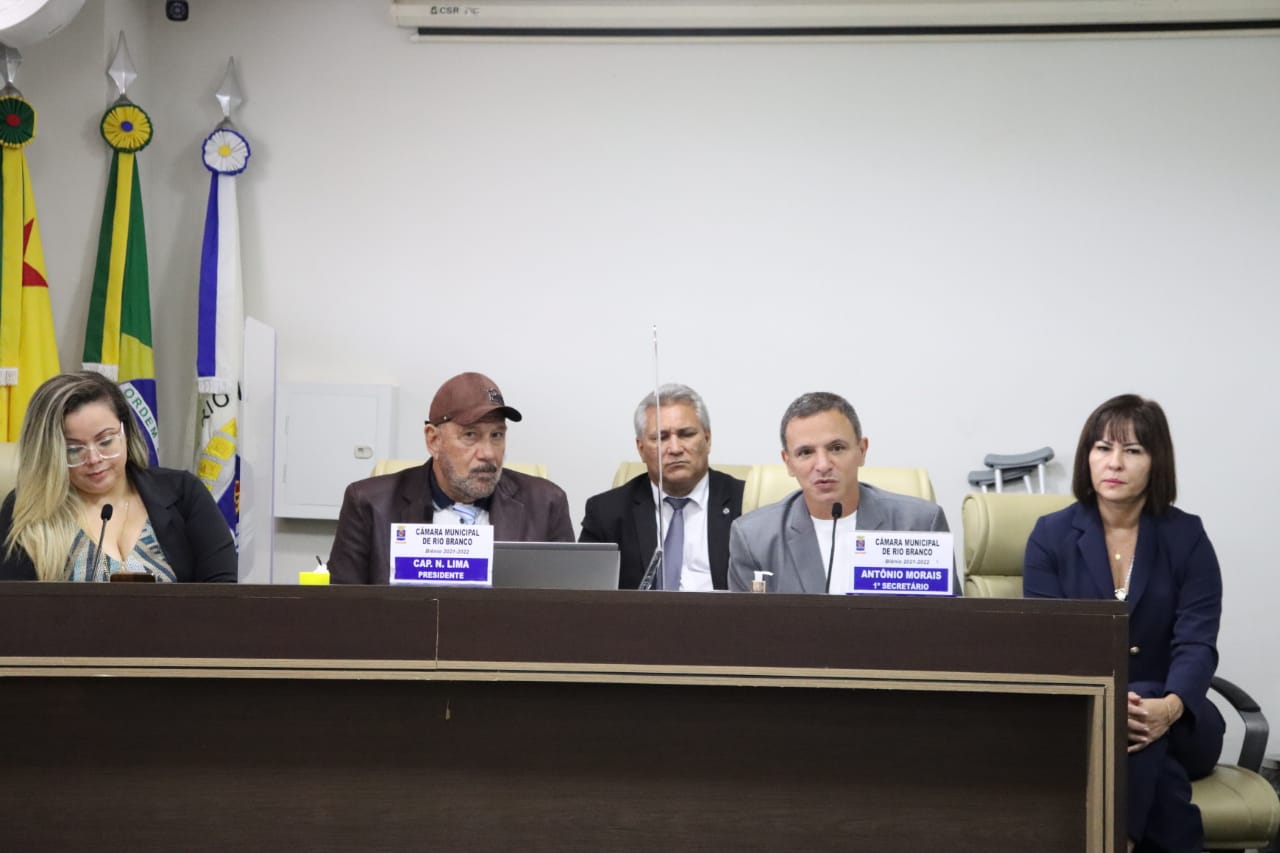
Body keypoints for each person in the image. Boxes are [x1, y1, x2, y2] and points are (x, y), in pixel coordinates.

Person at [1024, 394, 1223, 853]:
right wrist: (1119, 706)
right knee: (1149, 760)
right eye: (1102, 448)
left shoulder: (1186, 536)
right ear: (1087, 457)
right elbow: (1047, 641)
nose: (1114, 463)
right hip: (1082, 720)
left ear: (1156, 462)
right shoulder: (1050, 536)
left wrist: (1169, 707)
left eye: (1132, 450)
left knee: (1141, 704)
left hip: (1179, 720)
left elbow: (1197, 642)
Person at [328, 371, 573, 584]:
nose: (488, 454)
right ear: (433, 440)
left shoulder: (546, 504)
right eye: (470, 435)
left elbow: (565, 609)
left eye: (497, 435)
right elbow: (343, 610)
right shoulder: (369, 504)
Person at [0, 371, 236, 582]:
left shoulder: (183, 494)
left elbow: (223, 595)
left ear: (126, 432)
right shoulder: (26, 511)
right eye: (73, 449)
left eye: (105, 441)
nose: (94, 459)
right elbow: (14, 608)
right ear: (48, 453)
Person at [728, 392, 948, 594]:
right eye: (806, 452)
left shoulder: (920, 525)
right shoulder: (753, 539)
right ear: (788, 463)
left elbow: (944, 619)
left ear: (862, 450)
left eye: (836, 448)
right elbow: (746, 623)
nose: (823, 465)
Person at [579, 384, 745, 590]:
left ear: (707, 439)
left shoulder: (746, 504)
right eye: (661, 437)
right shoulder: (607, 512)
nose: (675, 449)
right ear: (640, 448)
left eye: (686, 434)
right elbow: (585, 594)